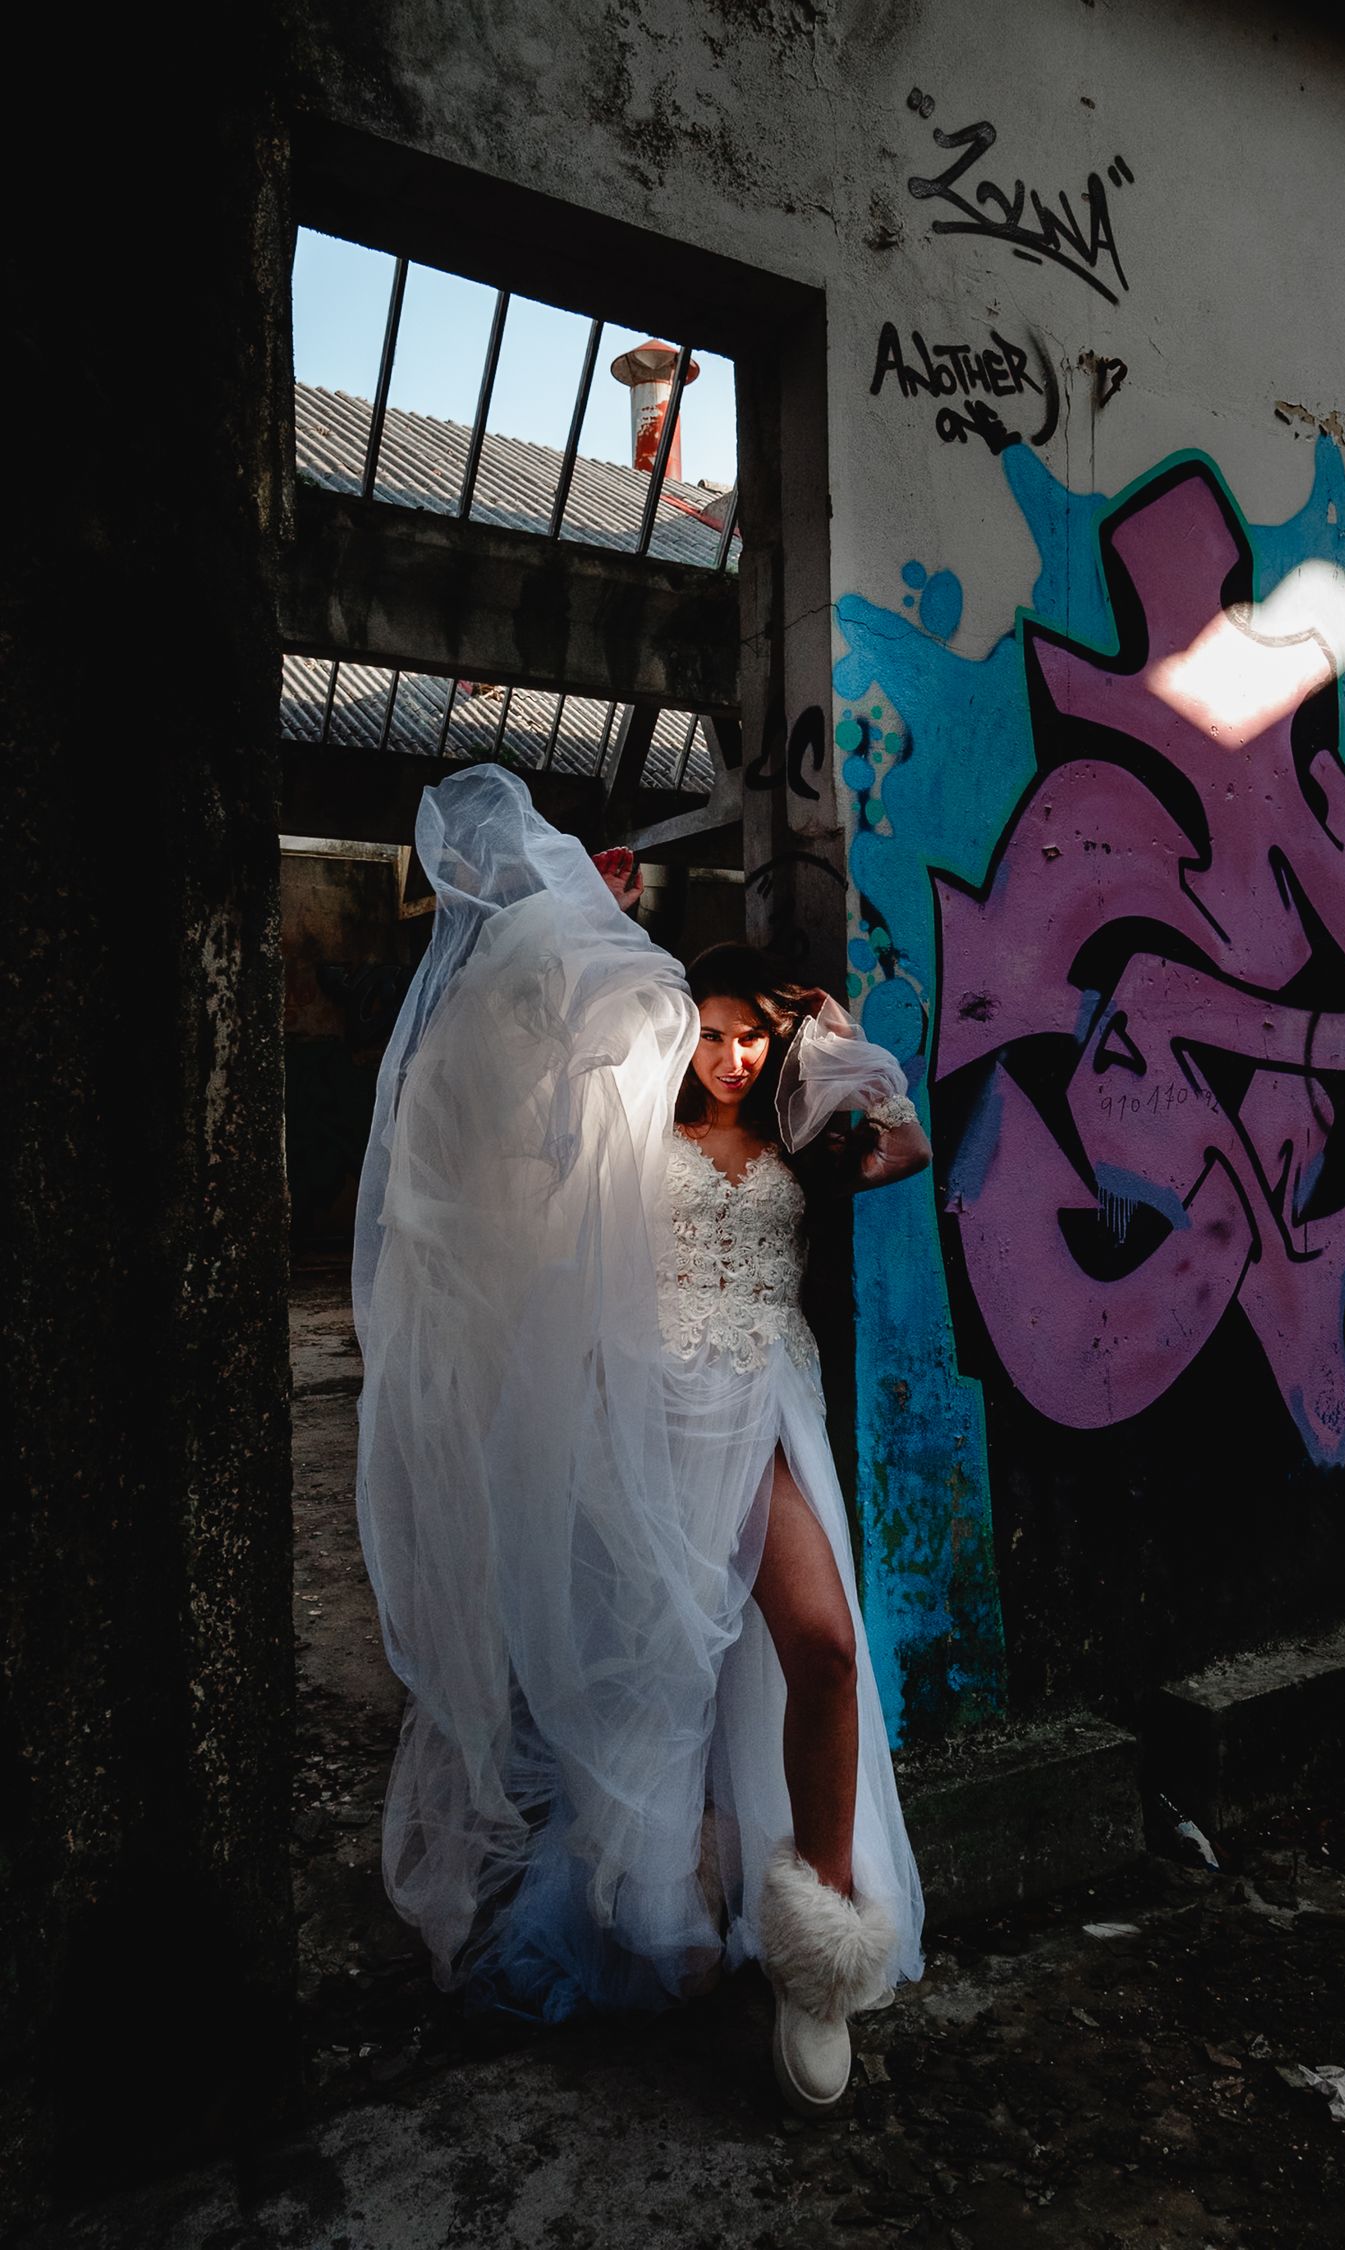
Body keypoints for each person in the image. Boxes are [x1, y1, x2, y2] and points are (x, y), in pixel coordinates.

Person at [354, 764, 929, 2113]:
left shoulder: (780, 1096)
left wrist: (841, 1051)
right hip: (651, 1429)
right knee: (651, 1684)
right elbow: (501, 1139)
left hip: (763, 1415)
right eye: (710, 1033)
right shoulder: (615, 1082)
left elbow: (898, 1150)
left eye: (747, 1034)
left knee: (825, 1649)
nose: (726, 1051)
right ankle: (665, 1890)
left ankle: (818, 1947)